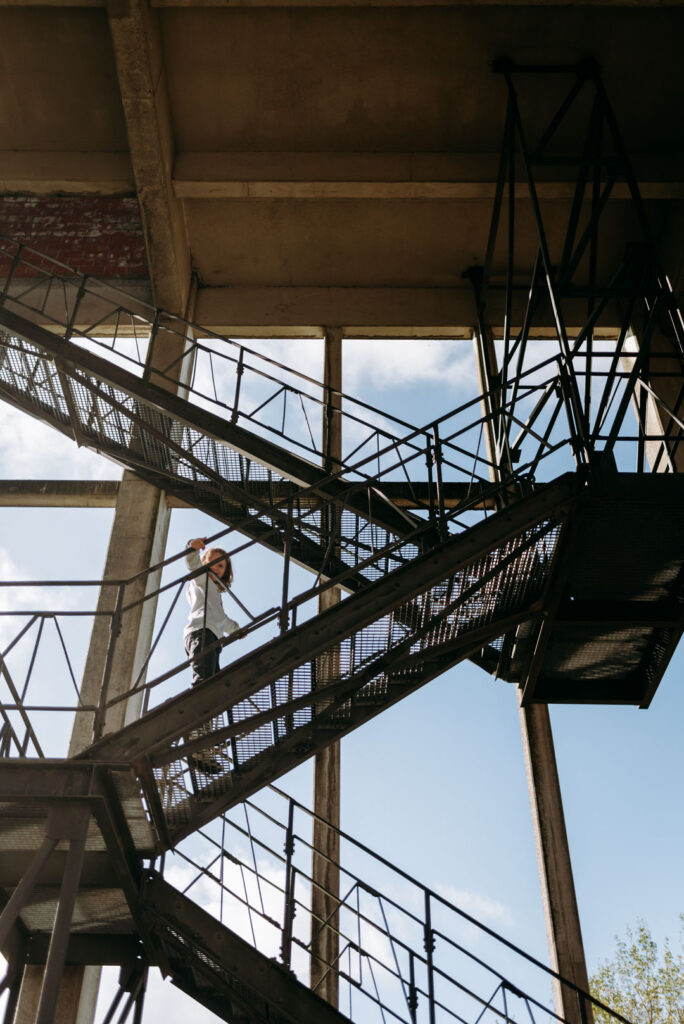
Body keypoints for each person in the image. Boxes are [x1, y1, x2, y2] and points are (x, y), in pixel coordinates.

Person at [183, 537, 239, 685]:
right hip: (201, 633)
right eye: (212, 563)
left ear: (225, 572)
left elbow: (220, 618)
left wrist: (236, 630)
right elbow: (193, 565)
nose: (216, 567)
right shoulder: (202, 580)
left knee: (213, 681)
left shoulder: (215, 593)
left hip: (212, 636)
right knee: (204, 681)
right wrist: (192, 548)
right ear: (204, 563)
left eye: (220, 566)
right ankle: (195, 703)